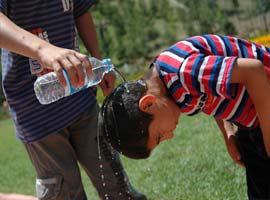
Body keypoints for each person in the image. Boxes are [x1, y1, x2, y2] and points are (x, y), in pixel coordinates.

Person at [0, 1, 146, 200]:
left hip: (81, 96)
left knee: (114, 181)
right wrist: (42, 50)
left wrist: (98, 60)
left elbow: (81, 11)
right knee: (64, 191)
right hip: (36, 110)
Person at [101, 34, 270, 200]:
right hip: (253, 125)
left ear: (148, 104)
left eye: (160, 136)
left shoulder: (184, 72)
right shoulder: (168, 89)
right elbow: (211, 89)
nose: (170, 135)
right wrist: (228, 132)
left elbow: (253, 70)